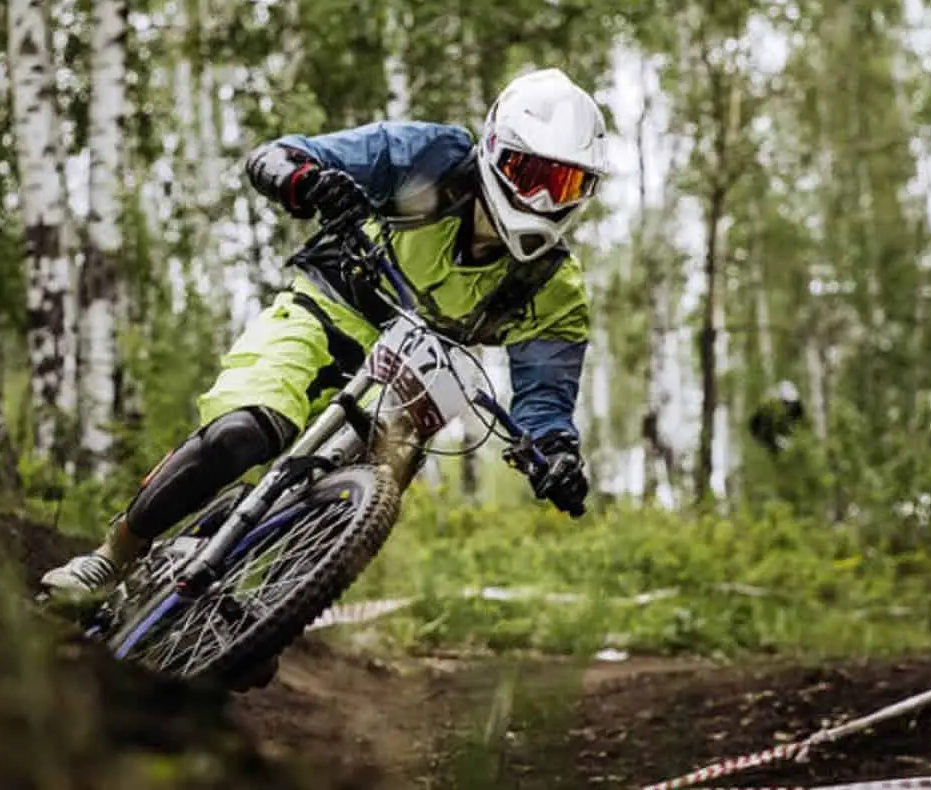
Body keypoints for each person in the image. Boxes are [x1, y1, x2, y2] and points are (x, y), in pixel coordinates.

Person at [41, 67, 607, 597]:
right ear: (491, 150)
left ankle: (268, 607)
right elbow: (282, 155)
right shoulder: (429, 156)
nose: (541, 199)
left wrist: (555, 453)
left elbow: (545, 398)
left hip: (415, 379)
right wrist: (307, 181)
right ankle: (114, 556)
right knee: (241, 434)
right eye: (529, 174)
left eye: (565, 186)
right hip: (327, 312)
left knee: (355, 515)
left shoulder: (555, 285)